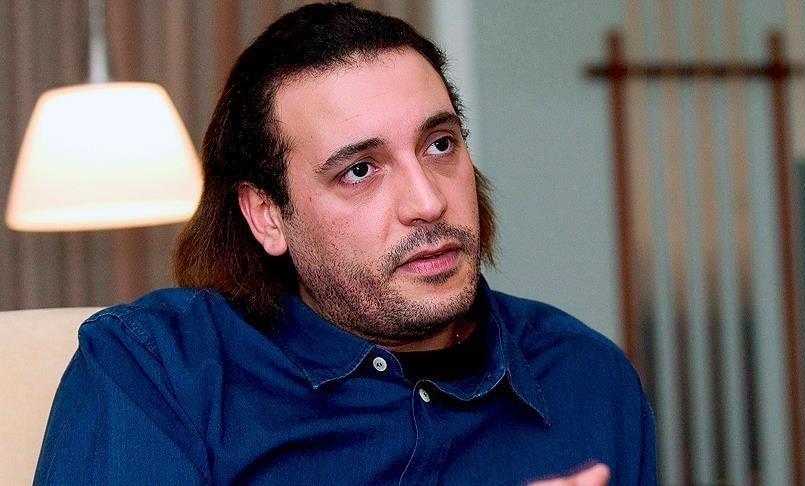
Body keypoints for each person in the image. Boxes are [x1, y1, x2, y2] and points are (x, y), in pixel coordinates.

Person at [35, 3, 655, 485]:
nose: (427, 202)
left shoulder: (586, 377)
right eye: (359, 170)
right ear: (267, 216)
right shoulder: (158, 368)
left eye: (439, 145)